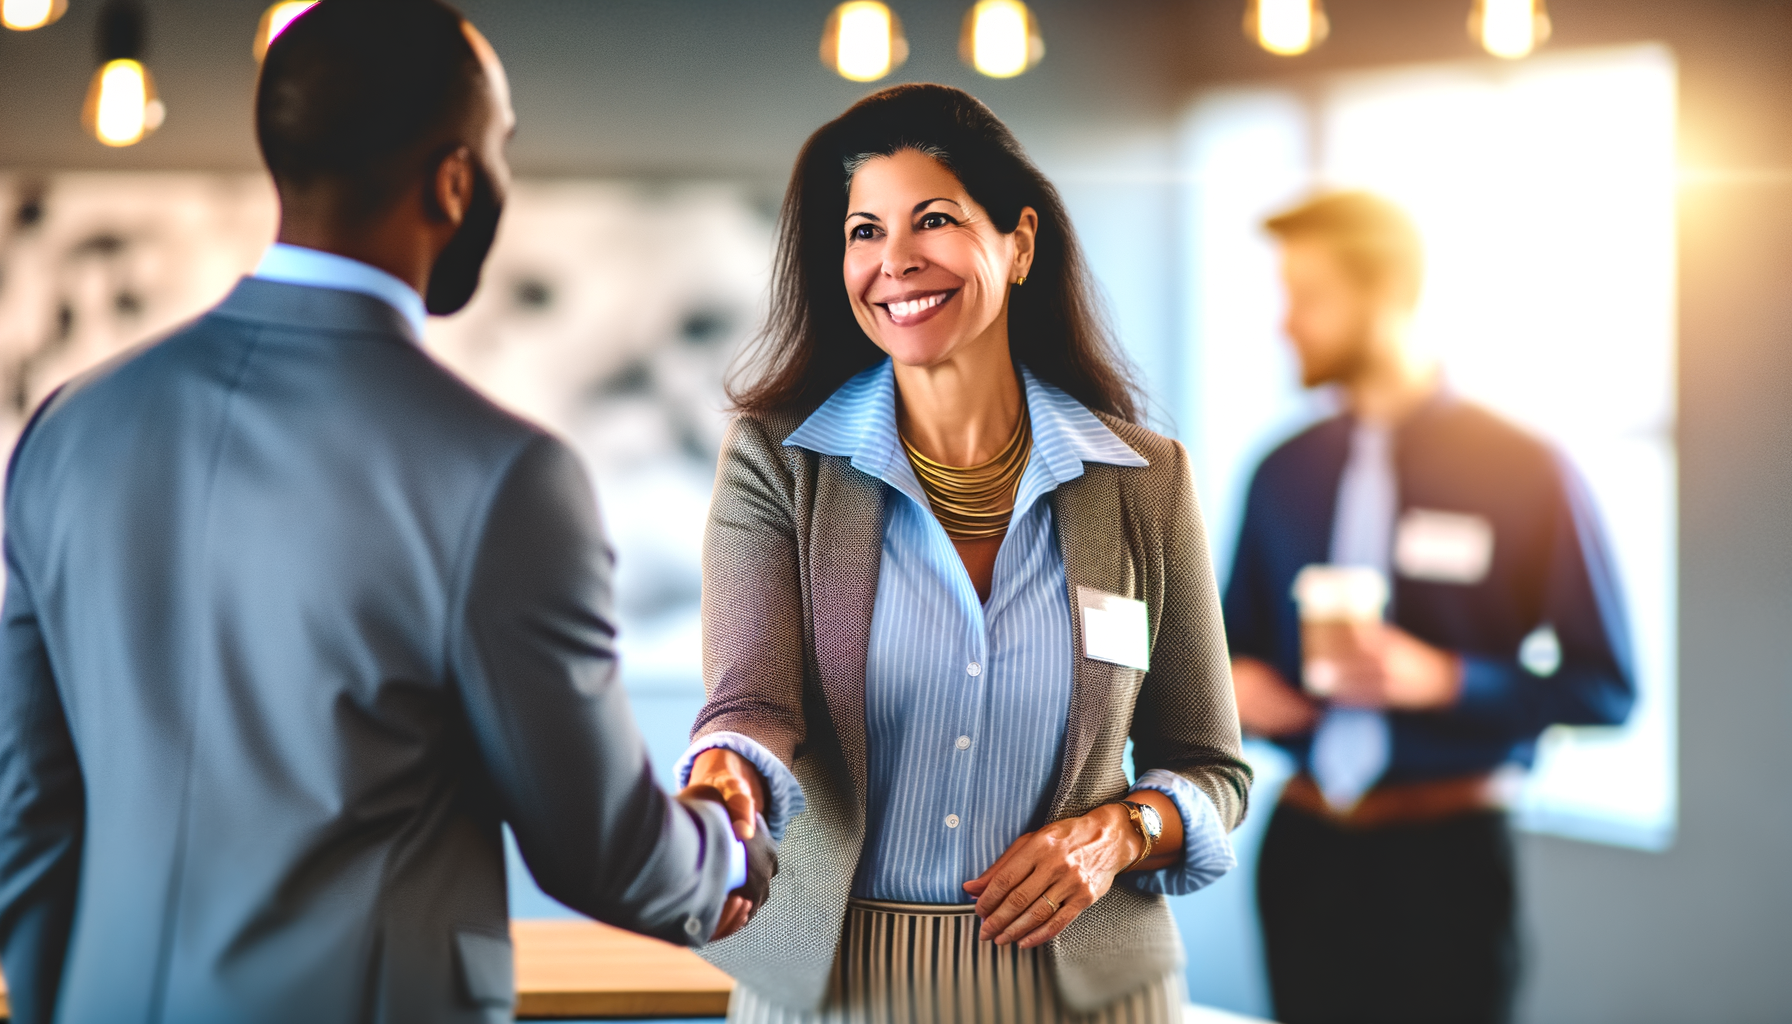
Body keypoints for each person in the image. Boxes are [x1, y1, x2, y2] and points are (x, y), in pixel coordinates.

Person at [0, 3, 772, 1022]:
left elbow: (27, 813)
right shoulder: (504, 476)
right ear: (454, 181)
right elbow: (601, 849)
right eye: (498, 149)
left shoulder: (67, 428)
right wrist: (727, 845)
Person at [669, 83, 1251, 1024]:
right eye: (864, 231)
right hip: (836, 988)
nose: (895, 260)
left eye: (933, 220)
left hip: (1091, 992)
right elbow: (752, 704)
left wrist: (1119, 833)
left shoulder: (1145, 482)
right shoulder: (777, 464)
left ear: (1019, 242)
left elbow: (1211, 766)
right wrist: (724, 774)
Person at [1225, 191, 1637, 1024]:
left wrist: (1447, 679)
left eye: (1307, 297)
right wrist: (1233, 687)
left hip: (1447, 863)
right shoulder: (1280, 471)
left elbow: (1607, 689)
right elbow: (1225, 652)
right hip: (1304, 854)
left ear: (1385, 295)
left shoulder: (1526, 468)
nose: (1285, 323)